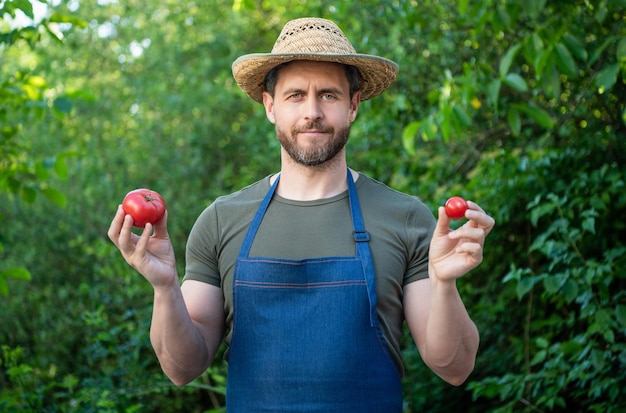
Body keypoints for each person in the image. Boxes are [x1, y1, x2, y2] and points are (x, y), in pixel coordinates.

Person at [108, 17, 495, 412]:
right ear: (270, 106)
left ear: (353, 105)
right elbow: (182, 367)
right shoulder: (222, 220)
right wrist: (164, 288)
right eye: (295, 96)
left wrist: (445, 284)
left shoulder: (405, 217)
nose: (312, 112)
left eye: (328, 95)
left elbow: (454, 367)